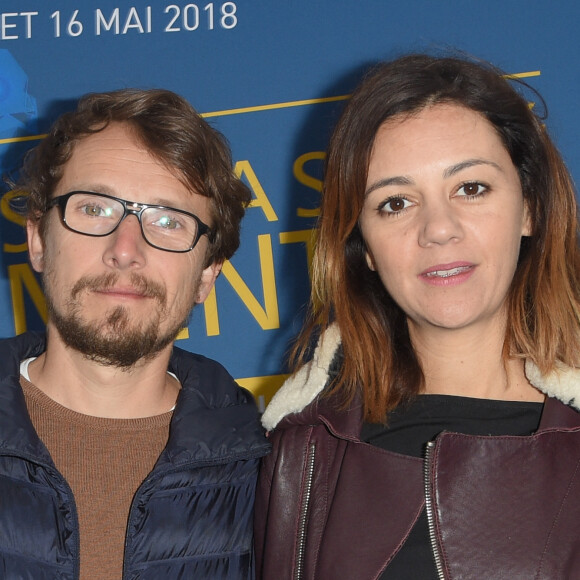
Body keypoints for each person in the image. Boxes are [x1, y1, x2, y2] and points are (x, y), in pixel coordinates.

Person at [254, 54, 580, 579]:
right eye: (396, 203)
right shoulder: (302, 450)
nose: (438, 228)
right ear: (362, 245)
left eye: (471, 189)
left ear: (530, 208)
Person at [0, 88, 270, 579]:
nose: (125, 249)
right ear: (38, 239)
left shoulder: (274, 480)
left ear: (208, 275)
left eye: (168, 221)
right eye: (94, 209)